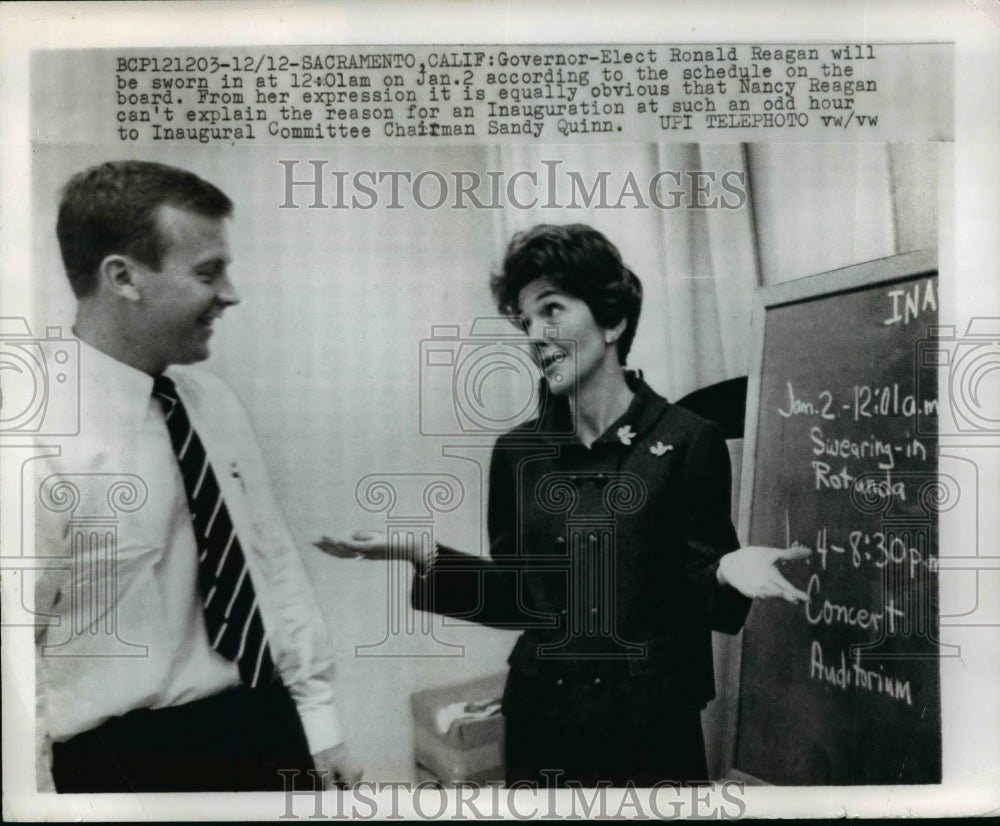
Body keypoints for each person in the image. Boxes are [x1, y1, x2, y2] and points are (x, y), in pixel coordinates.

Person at [318, 223, 808, 787]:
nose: (536, 335)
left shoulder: (688, 439)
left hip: (652, 735)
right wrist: (423, 554)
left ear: (612, 319)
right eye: (527, 321)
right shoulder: (516, 453)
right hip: (541, 727)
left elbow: (713, 606)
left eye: (552, 309)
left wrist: (725, 568)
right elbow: (521, 600)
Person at [34, 160, 362, 793]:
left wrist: (320, 725)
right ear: (123, 277)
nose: (231, 293)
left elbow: (272, 567)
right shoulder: (33, 436)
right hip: (123, 762)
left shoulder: (211, 402)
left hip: (263, 723)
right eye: (208, 272)